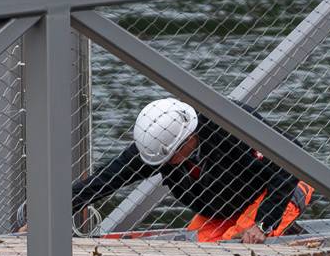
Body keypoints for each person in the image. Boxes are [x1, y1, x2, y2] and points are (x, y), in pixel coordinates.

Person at [66, 98, 313, 243]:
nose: (164, 165)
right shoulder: (160, 144)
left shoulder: (230, 126)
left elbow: (289, 161)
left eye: (170, 158)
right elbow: (109, 177)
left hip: (280, 188)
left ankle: (278, 229)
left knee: (240, 242)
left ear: (186, 141)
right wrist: (56, 212)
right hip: (225, 206)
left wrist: (263, 223)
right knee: (199, 249)